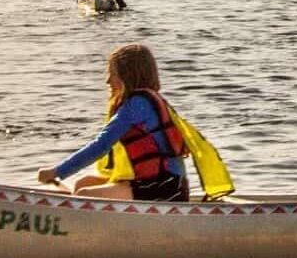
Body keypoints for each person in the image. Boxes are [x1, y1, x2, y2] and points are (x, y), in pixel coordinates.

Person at [35, 45, 197, 201]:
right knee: (82, 184)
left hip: (165, 187)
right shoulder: (145, 100)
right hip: (159, 183)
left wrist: (56, 172)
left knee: (85, 194)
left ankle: (73, 218)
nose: (107, 81)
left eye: (112, 73)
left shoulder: (137, 105)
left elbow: (101, 146)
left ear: (127, 75)